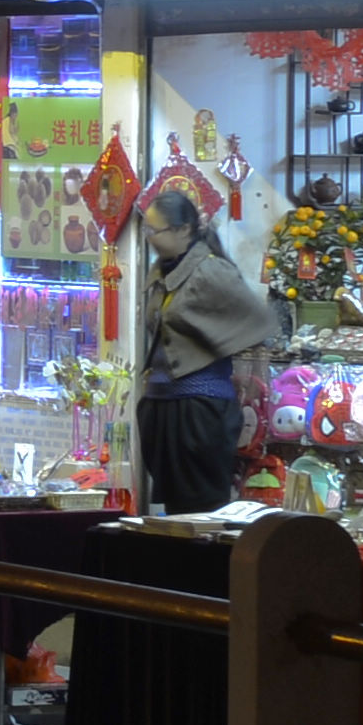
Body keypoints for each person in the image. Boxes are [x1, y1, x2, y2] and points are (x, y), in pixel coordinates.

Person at [134, 175, 279, 516]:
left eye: (155, 231)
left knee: (201, 513)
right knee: (176, 514)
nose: (149, 238)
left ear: (183, 230)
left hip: (198, 411)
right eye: (147, 230)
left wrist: (231, 362)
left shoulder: (209, 271)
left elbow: (256, 322)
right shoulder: (161, 272)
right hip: (162, 407)